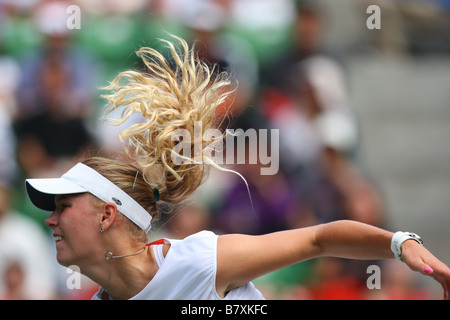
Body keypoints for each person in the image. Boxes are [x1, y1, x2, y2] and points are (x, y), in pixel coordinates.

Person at [24, 35, 450, 300]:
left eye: (63, 206)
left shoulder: (199, 263)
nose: (50, 219)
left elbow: (319, 239)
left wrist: (400, 243)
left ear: (106, 214)